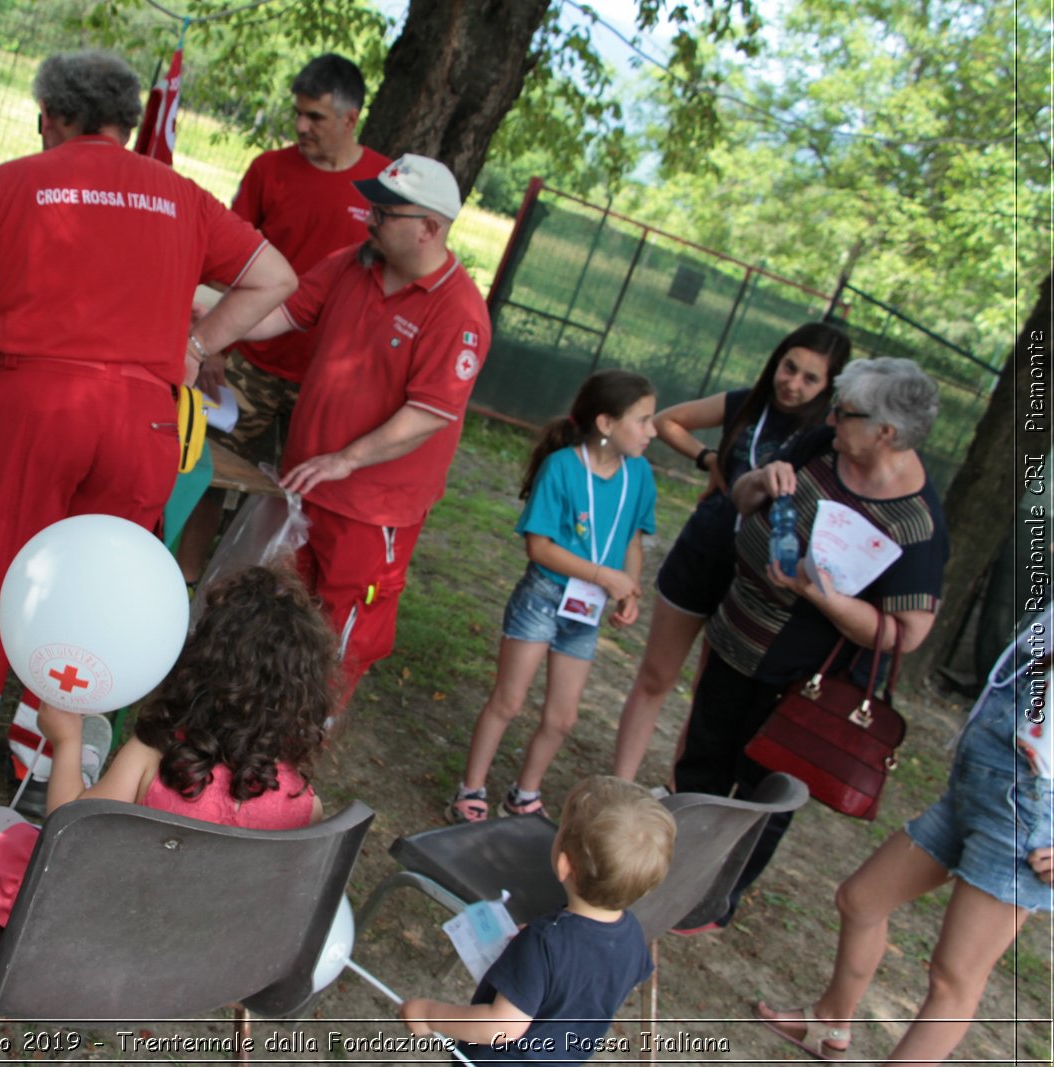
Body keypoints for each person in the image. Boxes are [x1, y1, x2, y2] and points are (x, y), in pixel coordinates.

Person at [0, 50, 297, 799]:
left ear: (52, 116)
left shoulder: (9, 184)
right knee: (93, 588)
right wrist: (194, 346)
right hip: (142, 423)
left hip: (35, 409)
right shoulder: (180, 195)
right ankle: (42, 758)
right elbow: (276, 278)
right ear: (126, 123)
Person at [0, 565, 336, 921]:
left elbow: (64, 834)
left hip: (72, 923)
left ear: (202, 663)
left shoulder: (154, 756)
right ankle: (100, 781)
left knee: (5, 825)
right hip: (183, 948)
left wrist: (65, 741)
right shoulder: (303, 803)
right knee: (104, 808)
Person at [675, 357, 949, 927]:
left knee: (761, 793)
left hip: (803, 681)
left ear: (886, 432)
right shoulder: (825, 444)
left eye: (844, 412)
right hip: (737, 636)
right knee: (702, 758)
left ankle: (710, 902)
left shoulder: (918, 522)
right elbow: (748, 498)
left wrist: (823, 597)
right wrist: (760, 480)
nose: (830, 417)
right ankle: (672, 873)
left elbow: (909, 634)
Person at [230, 153, 491, 710]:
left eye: (385, 211)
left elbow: (428, 413)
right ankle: (259, 719)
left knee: (340, 636)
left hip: (374, 510)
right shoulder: (354, 263)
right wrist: (204, 326)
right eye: (372, 205)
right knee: (281, 613)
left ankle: (305, 739)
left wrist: (347, 458)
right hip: (308, 485)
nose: (369, 219)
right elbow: (284, 313)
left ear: (430, 227)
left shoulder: (458, 311)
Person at [753, 607, 1052, 1065]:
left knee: (953, 980)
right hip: (983, 788)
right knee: (862, 899)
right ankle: (829, 1021)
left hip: (1028, 813)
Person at [175, 54, 389, 582]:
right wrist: (219, 346)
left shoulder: (383, 187)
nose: (300, 126)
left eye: (314, 117)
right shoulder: (269, 170)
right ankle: (182, 580)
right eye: (297, 113)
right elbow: (226, 264)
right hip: (251, 360)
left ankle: (263, 607)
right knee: (209, 470)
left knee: (304, 499)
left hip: (330, 378)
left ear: (349, 119)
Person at [610, 324, 851, 782]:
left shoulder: (826, 437)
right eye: (789, 367)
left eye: (810, 379)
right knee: (656, 677)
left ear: (829, 387)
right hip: (703, 554)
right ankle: (617, 788)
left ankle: (681, 797)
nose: (793, 383)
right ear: (776, 361)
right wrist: (710, 459)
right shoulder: (745, 403)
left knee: (708, 700)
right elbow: (667, 421)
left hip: (757, 582)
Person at [447, 371, 658, 823]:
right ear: (606, 424)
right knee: (509, 700)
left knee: (563, 718)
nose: (653, 431)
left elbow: (634, 542)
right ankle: (471, 789)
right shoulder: (562, 467)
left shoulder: (638, 476)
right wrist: (607, 576)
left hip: (587, 609)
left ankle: (524, 794)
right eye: (643, 421)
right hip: (542, 598)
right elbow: (539, 547)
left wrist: (629, 590)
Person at [399, 776, 675, 1065]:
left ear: (564, 863)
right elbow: (592, 979)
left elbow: (501, 1026)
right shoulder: (632, 936)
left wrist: (430, 1014)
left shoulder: (546, 942)